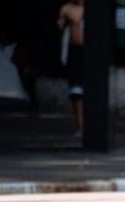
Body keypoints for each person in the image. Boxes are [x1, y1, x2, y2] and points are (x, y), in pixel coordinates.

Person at [57, 0, 84, 135]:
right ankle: (80, 125)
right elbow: (60, 26)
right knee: (76, 91)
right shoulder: (66, 8)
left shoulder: (92, 9)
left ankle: (90, 124)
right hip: (74, 52)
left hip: (89, 52)